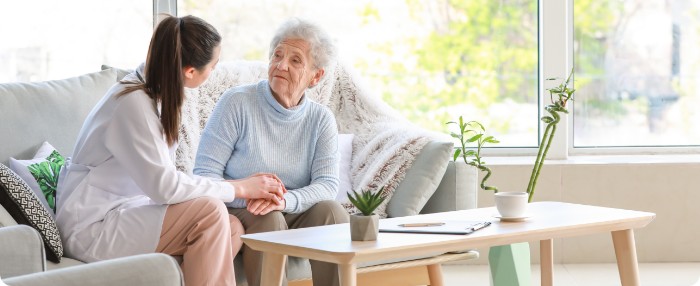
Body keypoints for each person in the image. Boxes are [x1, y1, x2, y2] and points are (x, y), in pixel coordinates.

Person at [55, 15, 286, 286]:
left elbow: (164, 182)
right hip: (93, 227)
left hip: (126, 212)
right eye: (214, 66)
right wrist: (240, 188)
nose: (213, 72)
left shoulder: (155, 95)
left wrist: (237, 186)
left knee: (232, 228)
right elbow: (164, 188)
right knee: (210, 213)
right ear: (190, 71)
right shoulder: (132, 104)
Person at [194, 17, 349, 286]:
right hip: (242, 208)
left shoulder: (321, 119)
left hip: (291, 206)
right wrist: (251, 196)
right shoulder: (237, 102)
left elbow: (327, 185)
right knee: (268, 219)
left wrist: (284, 200)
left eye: (295, 60)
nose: (281, 65)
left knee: (332, 212)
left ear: (317, 75)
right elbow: (205, 176)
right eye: (277, 55)